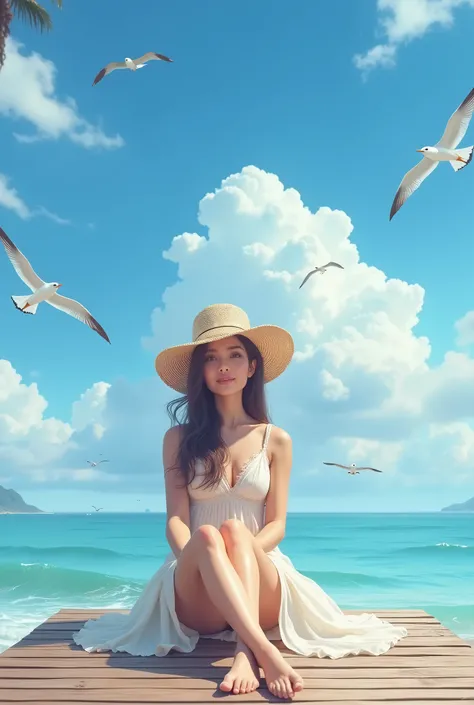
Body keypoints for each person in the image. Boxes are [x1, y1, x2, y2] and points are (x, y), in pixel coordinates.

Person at [73, 303, 408, 700]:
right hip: (196, 581)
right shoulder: (178, 439)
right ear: (200, 370)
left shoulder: (276, 439)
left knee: (234, 532)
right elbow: (176, 521)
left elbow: (277, 524)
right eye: (211, 358)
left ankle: (244, 653)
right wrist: (196, 557)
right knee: (213, 537)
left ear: (252, 367)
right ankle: (262, 650)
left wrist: (243, 550)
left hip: (261, 574)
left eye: (235, 355)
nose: (224, 366)